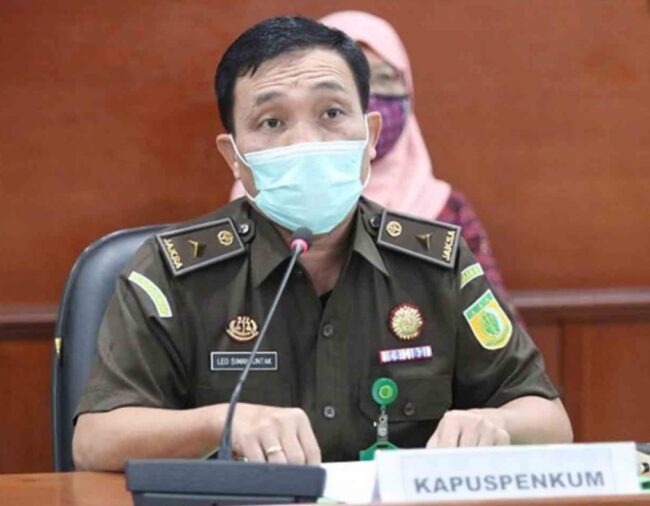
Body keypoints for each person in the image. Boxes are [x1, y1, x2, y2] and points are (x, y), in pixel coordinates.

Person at [72, 16, 572, 472]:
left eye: (331, 112)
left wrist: (496, 425)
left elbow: (550, 420)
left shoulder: (436, 263)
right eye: (272, 122)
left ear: (370, 136)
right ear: (234, 157)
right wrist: (223, 422)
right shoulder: (171, 272)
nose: (305, 143)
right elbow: (95, 440)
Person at [230, 11, 515, 306]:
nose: (371, 95)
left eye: (384, 78)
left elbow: (495, 323)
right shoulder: (253, 207)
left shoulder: (446, 209)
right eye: (357, 81)